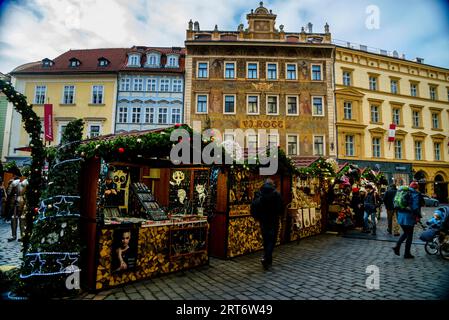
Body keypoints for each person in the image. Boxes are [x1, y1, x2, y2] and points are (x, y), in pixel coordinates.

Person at [251, 178, 283, 270]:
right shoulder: (276, 194)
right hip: (273, 220)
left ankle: (268, 260)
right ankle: (266, 258)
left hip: (263, 220)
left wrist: (257, 217)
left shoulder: (259, 193)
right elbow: (280, 207)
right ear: (272, 184)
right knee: (272, 240)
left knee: (266, 239)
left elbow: (253, 206)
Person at [393, 181, 422, 259]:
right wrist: (418, 216)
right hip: (409, 218)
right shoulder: (414, 193)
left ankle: (398, 247)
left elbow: (395, 203)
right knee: (409, 236)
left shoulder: (401, 191)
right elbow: (415, 207)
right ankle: (406, 253)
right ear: (416, 188)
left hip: (400, 216)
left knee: (406, 233)